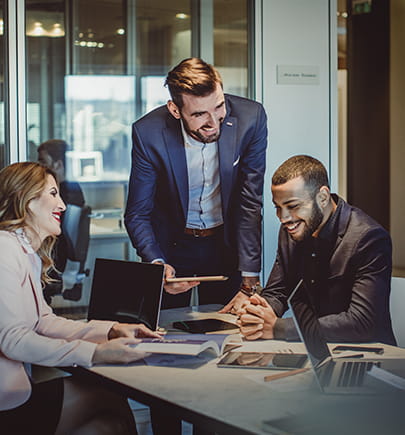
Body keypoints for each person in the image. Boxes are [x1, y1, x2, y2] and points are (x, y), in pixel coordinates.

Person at [0, 162, 163, 434]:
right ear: (28, 201)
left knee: (106, 426)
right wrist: (95, 352)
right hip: (8, 407)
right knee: (108, 396)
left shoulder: (23, 252)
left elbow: (43, 322)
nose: (62, 205)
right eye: (53, 194)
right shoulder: (4, 249)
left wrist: (110, 330)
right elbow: (13, 340)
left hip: (15, 396)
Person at [125, 57, 268, 311]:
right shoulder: (148, 133)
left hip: (225, 245)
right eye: (200, 114)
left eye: (219, 107)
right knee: (165, 332)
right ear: (175, 110)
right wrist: (157, 263)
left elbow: (249, 203)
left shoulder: (251, 119)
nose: (214, 123)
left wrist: (250, 279)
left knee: (230, 331)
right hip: (172, 246)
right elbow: (138, 213)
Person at [238, 154, 396, 345]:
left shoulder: (368, 238)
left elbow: (362, 322)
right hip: (315, 353)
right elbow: (277, 292)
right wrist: (259, 312)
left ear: (322, 197)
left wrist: (278, 328)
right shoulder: (290, 230)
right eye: (278, 207)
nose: (283, 217)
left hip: (368, 359)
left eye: (292, 206)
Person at [37, 139, 86, 302]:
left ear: (58, 164)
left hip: (53, 264)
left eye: (43, 161)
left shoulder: (65, 197)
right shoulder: (71, 189)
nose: (39, 167)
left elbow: (58, 237)